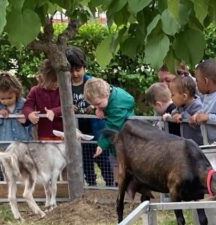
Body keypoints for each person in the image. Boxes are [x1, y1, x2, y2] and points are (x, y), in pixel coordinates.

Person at [65, 46, 115, 188]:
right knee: (85, 161)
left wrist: (94, 106)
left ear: (84, 67)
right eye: (71, 70)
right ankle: (91, 185)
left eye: (78, 69)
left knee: (103, 159)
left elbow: (106, 96)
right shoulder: (64, 85)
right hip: (78, 131)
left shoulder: (92, 82)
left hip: (96, 129)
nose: (75, 74)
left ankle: (110, 185)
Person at [83, 77, 135, 160]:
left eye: (98, 104)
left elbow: (112, 126)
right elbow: (102, 102)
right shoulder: (109, 92)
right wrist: (99, 108)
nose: (96, 107)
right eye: (94, 105)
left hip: (127, 141)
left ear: (106, 94)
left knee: (124, 164)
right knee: (116, 162)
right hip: (118, 140)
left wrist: (101, 145)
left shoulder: (117, 106)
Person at [22, 61, 63, 141]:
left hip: (62, 133)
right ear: (42, 78)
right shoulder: (35, 90)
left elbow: (67, 106)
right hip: (44, 134)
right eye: (53, 81)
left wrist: (54, 111)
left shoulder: (62, 90)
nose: (57, 84)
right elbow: (27, 106)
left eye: (58, 81)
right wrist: (29, 113)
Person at [0, 71, 32, 146]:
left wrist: (26, 121)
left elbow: (33, 123)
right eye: (2, 99)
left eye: (10, 98)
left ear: (16, 92)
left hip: (22, 144)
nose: (6, 101)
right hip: (4, 144)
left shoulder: (24, 104)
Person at [164, 74, 204, 144]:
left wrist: (182, 116)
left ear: (184, 96)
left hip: (198, 144)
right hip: (188, 143)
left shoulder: (197, 106)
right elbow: (174, 111)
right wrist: (175, 114)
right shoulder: (181, 105)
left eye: (173, 95)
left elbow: (197, 124)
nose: (171, 98)